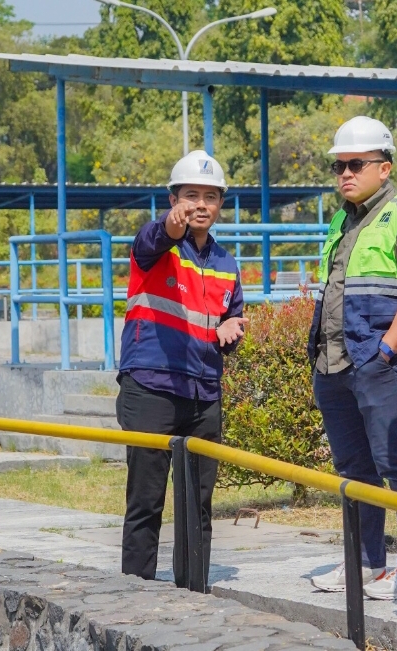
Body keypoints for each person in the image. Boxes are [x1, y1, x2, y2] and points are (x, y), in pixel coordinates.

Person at [307, 116, 397, 599]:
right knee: (354, 471)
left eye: (356, 164)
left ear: (385, 167)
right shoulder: (343, 219)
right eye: (340, 165)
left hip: (378, 366)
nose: (345, 173)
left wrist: (386, 351)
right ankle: (365, 564)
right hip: (334, 363)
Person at [118, 150, 247, 583]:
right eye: (190, 195)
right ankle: (135, 593)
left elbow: (233, 315)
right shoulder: (154, 247)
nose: (200, 205)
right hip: (152, 387)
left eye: (210, 197)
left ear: (220, 204)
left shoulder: (227, 264)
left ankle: (193, 593)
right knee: (146, 501)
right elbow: (158, 235)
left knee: (198, 507)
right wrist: (171, 225)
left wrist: (232, 328)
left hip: (204, 393)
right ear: (173, 199)